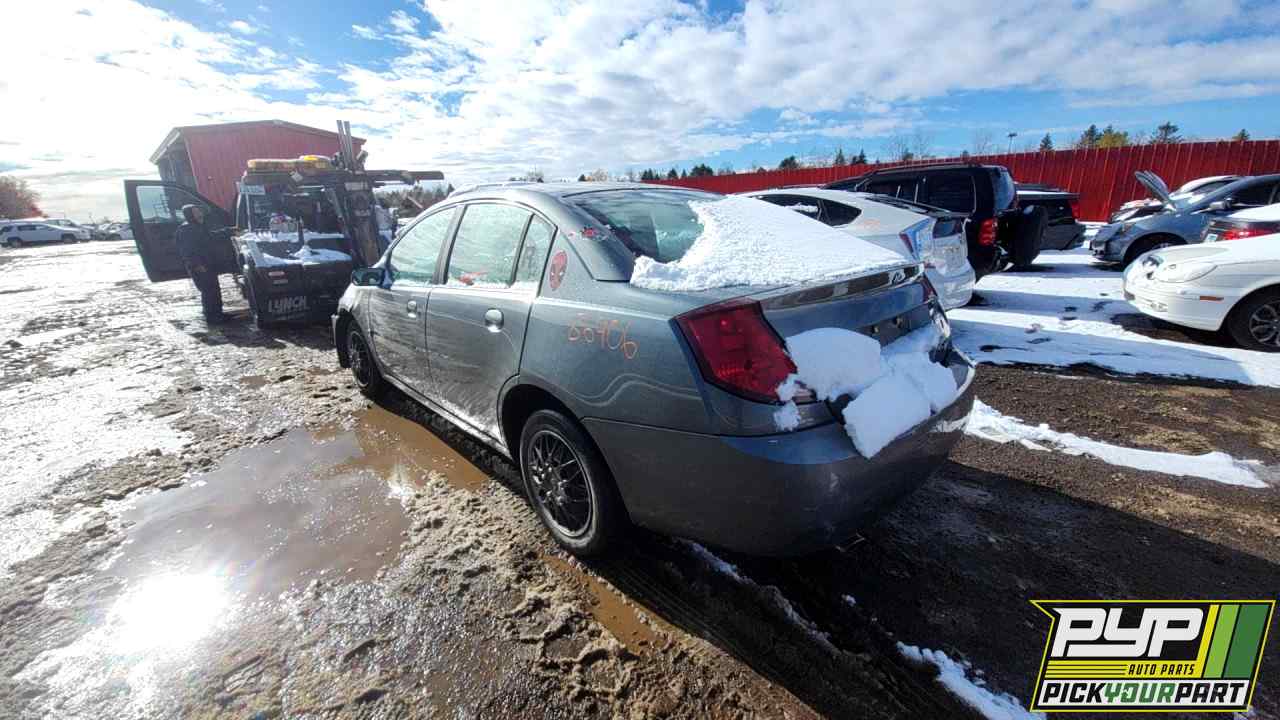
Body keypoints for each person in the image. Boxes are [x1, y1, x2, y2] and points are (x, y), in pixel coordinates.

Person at [175, 204, 226, 323]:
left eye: (199, 211)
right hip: (200, 266)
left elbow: (212, 236)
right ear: (189, 215)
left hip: (208, 264)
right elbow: (187, 251)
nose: (200, 214)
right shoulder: (186, 230)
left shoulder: (198, 227)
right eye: (196, 212)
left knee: (214, 290)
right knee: (208, 291)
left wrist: (229, 231)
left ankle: (218, 314)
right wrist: (197, 265)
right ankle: (212, 318)